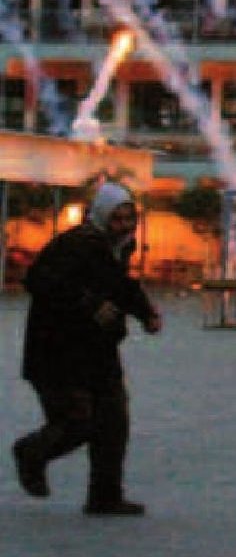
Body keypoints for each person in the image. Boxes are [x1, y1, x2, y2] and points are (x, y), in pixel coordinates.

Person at [12, 181, 163, 516]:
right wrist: (89, 304)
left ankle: (105, 496)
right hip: (57, 351)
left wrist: (145, 313)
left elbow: (122, 286)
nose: (124, 226)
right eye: (117, 219)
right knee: (76, 422)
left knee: (113, 422)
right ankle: (32, 453)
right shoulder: (74, 244)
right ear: (101, 216)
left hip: (98, 348)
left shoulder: (120, 247)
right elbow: (39, 280)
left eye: (129, 219)